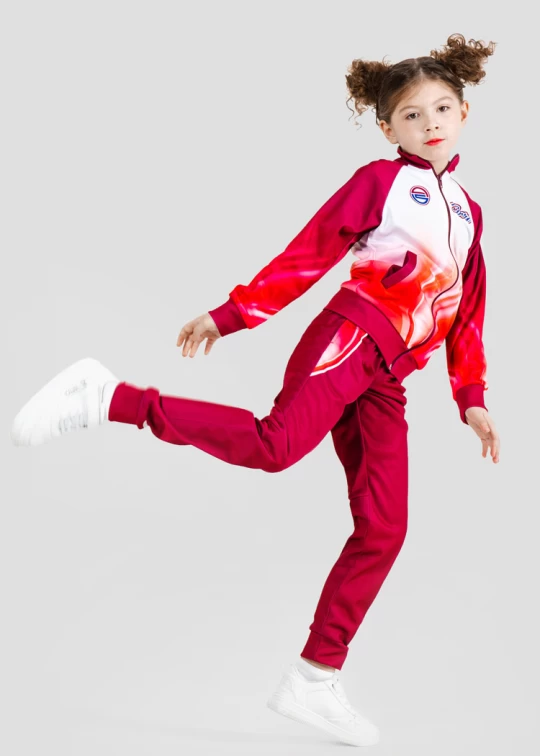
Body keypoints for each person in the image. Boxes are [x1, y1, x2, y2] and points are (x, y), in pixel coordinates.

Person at [10, 33, 501, 748]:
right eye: (411, 114)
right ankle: (110, 397)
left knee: (385, 528)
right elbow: (313, 249)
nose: (431, 123)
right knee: (275, 447)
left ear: (463, 113)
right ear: (386, 128)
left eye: (443, 109)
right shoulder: (383, 182)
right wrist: (233, 313)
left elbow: (468, 306)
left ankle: (314, 678)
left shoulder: (470, 211)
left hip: (389, 375)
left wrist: (472, 397)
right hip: (354, 335)